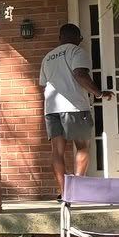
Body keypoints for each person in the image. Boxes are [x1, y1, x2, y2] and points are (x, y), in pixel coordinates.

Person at [38, 22, 102, 192]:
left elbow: (44, 84)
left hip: (51, 109)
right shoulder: (77, 51)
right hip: (74, 107)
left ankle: (64, 192)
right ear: (79, 38)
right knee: (82, 146)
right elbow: (80, 74)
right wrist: (99, 93)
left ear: (60, 38)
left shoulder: (48, 57)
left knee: (57, 152)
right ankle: (77, 190)